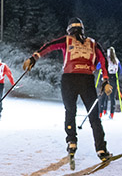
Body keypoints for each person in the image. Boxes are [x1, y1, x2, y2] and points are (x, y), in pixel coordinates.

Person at [23, 18, 112, 163]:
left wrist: (34, 58)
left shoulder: (67, 40)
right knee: (94, 116)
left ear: (69, 30)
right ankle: (101, 149)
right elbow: (103, 60)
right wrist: (105, 80)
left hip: (69, 79)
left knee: (70, 111)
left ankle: (71, 142)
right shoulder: (93, 43)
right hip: (87, 80)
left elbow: (49, 46)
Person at [98, 47, 121, 119]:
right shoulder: (116, 60)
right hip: (113, 78)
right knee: (112, 97)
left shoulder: (105, 60)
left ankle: (101, 112)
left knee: (103, 96)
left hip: (106, 78)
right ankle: (112, 114)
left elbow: (98, 66)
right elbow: (120, 71)